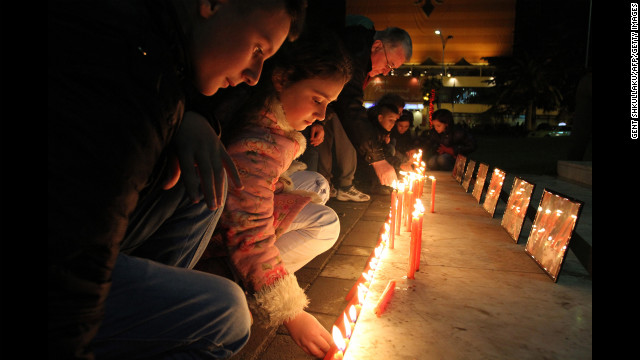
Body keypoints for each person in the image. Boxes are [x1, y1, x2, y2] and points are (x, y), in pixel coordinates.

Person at [48, 0, 306, 358]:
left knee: (205, 182)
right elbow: (75, 247)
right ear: (212, 4)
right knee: (225, 313)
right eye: (258, 48)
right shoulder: (128, 75)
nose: (254, 75)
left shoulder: (152, 52)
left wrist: (188, 119)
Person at [207, 29, 352, 358]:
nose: (321, 114)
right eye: (317, 99)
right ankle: (249, 287)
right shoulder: (260, 141)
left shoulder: (270, 119)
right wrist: (292, 313)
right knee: (326, 223)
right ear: (283, 78)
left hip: (242, 201)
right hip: (222, 233)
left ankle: (258, 277)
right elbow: (249, 229)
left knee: (316, 184)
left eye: (328, 104)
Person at [332, 24, 413, 188]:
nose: (385, 72)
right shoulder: (355, 52)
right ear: (377, 46)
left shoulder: (361, 54)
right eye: (389, 64)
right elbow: (349, 103)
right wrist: (378, 160)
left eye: (391, 69)